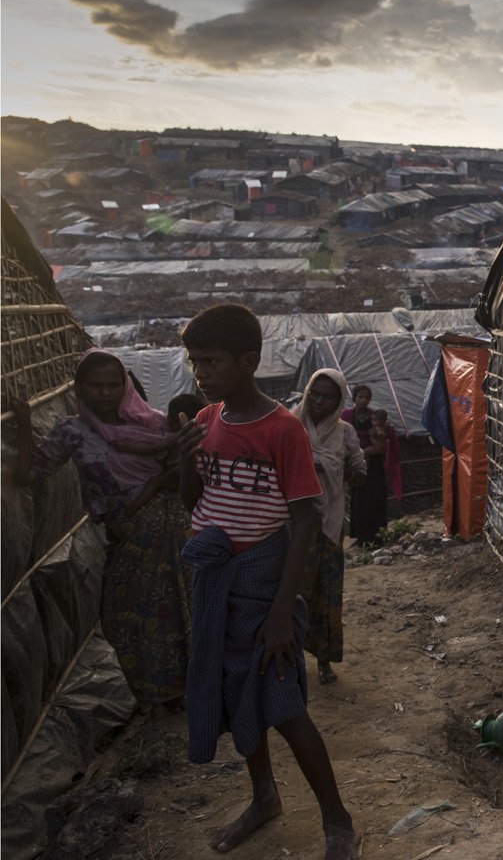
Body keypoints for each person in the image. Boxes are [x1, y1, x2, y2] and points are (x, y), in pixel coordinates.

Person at [176, 304, 360, 859]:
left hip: (261, 581)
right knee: (235, 698)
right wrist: (185, 461)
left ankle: (338, 820)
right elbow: (195, 501)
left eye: (211, 361)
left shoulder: (282, 429)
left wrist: (283, 609)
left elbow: (301, 519)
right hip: (215, 583)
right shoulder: (206, 422)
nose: (199, 373)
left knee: (284, 704)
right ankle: (264, 799)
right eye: (194, 362)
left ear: (249, 361)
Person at [9, 349, 192, 710]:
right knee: (123, 617)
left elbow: (182, 477)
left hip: (169, 525)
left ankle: (182, 691)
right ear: (80, 388)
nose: (105, 393)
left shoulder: (155, 424)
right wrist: (26, 424)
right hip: (124, 532)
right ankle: (157, 690)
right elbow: (28, 476)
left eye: (113, 384)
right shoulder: (72, 432)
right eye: (96, 385)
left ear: (125, 385)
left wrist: (157, 485)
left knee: (176, 603)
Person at [293, 368, 366, 685]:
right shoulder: (290, 426)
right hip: (294, 523)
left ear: (338, 402)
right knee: (295, 593)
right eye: (314, 394)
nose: (318, 401)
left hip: (330, 523)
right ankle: (290, 658)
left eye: (327, 397)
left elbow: (359, 472)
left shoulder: (345, 432)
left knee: (328, 592)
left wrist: (342, 468)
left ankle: (324, 661)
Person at [343, 386, 399, 546]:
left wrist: (364, 452)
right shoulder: (345, 416)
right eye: (360, 397)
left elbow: (381, 442)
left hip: (373, 464)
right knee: (359, 499)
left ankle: (375, 537)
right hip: (355, 462)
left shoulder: (374, 417)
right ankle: (361, 536)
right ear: (354, 398)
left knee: (374, 499)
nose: (364, 400)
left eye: (367, 397)